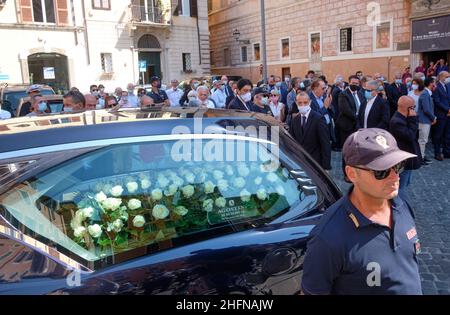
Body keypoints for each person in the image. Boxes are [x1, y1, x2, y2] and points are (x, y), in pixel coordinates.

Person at [301, 128, 422, 295]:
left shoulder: (402, 203)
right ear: (352, 174)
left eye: (397, 166)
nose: (395, 177)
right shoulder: (328, 237)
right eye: (381, 172)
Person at [389, 96, 422, 198]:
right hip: (402, 160)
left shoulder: (403, 118)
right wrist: (413, 120)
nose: (414, 110)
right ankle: (399, 205)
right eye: (413, 107)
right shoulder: (397, 121)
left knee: (405, 183)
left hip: (407, 158)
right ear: (408, 108)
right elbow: (410, 136)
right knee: (400, 187)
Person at [289, 92, 331, 170]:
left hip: (315, 162)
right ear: (296, 103)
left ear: (310, 102)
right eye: (300, 103)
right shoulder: (295, 120)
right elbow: (292, 141)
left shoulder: (319, 119)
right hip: (300, 162)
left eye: (305, 102)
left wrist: (326, 167)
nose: (302, 105)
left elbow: (325, 144)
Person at [336, 75, 363, 147]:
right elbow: (345, 110)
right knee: (347, 148)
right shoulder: (343, 94)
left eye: (356, 84)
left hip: (358, 126)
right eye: (353, 83)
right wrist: (358, 117)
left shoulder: (360, 94)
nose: (355, 85)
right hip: (347, 126)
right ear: (349, 83)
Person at [418, 77, 437, 165]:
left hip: (425, 120)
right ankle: (420, 158)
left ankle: (422, 156)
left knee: (423, 140)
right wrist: (433, 118)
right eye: (434, 83)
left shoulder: (426, 93)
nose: (435, 85)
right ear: (430, 84)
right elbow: (426, 109)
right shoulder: (425, 94)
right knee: (422, 140)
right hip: (423, 121)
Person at [431, 71, 450, 161]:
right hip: (441, 115)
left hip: (447, 115)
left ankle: (446, 152)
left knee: (447, 134)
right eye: (447, 76)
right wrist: (448, 109)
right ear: (442, 76)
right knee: (438, 135)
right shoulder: (436, 87)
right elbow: (437, 101)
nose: (448, 78)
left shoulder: (445, 86)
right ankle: (437, 153)